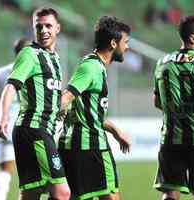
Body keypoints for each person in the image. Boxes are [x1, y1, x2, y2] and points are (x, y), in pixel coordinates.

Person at [0, 7, 71, 200]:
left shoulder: (54, 59)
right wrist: (3, 117)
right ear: (33, 28)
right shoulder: (30, 54)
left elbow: (48, 93)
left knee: (31, 192)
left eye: (48, 26)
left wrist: (59, 109)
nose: (44, 30)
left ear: (58, 28)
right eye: (39, 26)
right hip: (34, 130)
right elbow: (10, 87)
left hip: (32, 131)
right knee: (62, 193)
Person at [58, 16, 131, 200]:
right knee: (112, 196)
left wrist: (115, 131)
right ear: (114, 43)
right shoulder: (91, 67)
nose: (127, 47)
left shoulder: (94, 66)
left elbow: (89, 113)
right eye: (126, 42)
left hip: (73, 147)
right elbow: (66, 96)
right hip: (90, 147)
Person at [152, 15, 194, 200]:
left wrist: (178, 112)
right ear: (192, 38)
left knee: (170, 192)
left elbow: (157, 102)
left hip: (171, 139)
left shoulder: (162, 62)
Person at [0, 38, 30, 200]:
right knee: (32, 177)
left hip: (6, 127)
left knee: (4, 171)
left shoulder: (2, 72)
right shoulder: (35, 71)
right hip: (30, 127)